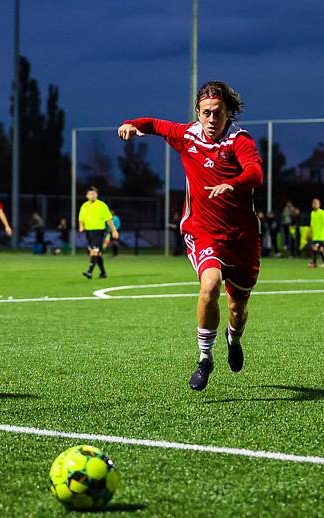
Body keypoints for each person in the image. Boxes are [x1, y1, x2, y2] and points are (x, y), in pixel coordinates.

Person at [119, 80, 263, 391]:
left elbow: (255, 172)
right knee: (209, 285)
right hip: (202, 231)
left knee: (237, 309)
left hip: (242, 237)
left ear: (228, 114)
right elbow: (154, 124)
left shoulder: (239, 140)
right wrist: (132, 124)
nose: (212, 120)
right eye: (207, 113)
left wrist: (233, 184)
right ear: (197, 113)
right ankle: (204, 358)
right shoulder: (186, 135)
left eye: (218, 113)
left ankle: (233, 338)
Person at [78, 186, 119, 279]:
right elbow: (81, 218)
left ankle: (89, 272)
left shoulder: (102, 205)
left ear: (97, 195)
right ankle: (103, 273)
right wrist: (81, 226)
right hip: (88, 232)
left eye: (94, 193)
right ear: (86, 195)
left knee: (94, 251)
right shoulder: (84, 206)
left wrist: (114, 230)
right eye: (90, 194)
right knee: (97, 253)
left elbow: (109, 220)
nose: (92, 195)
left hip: (99, 231)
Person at [308, 198, 324, 268]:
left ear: (319, 205)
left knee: (314, 247)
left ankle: (314, 263)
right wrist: (310, 233)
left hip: (321, 236)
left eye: (316, 203)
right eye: (313, 203)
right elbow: (312, 225)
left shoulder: (322, 212)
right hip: (315, 236)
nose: (315, 204)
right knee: (320, 249)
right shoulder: (312, 213)